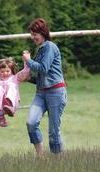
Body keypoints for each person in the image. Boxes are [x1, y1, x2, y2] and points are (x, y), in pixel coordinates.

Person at [22, 18, 67, 156]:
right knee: (31, 122)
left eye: (35, 34)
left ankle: (56, 161)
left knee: (53, 131)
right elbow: (42, 77)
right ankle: (41, 157)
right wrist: (29, 79)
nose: (33, 37)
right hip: (41, 93)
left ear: (43, 33)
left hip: (56, 92)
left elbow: (43, 68)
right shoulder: (40, 49)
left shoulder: (49, 47)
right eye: (31, 34)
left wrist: (28, 60)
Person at [0, 57, 30, 127]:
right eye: (2, 71)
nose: (5, 73)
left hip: (12, 105)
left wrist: (26, 62)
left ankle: (10, 105)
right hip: (1, 105)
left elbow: (24, 73)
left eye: (7, 71)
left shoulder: (15, 78)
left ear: (11, 71)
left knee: (11, 85)